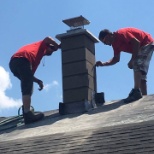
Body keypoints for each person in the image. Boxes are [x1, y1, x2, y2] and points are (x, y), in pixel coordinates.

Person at [9, 36, 60, 124]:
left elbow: (30, 76)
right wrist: (57, 46)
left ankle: (26, 110)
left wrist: (38, 81)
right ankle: (27, 114)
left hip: (13, 63)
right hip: (23, 59)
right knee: (27, 87)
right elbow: (47, 38)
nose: (52, 50)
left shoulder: (36, 57)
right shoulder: (41, 46)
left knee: (28, 84)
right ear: (47, 46)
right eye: (51, 48)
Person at [96, 27, 154, 103]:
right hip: (141, 47)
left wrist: (132, 60)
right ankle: (144, 98)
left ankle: (136, 91)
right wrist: (103, 64)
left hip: (146, 42)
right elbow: (116, 59)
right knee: (140, 73)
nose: (105, 44)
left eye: (104, 41)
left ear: (108, 36)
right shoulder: (115, 44)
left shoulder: (121, 34)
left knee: (137, 63)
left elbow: (136, 43)